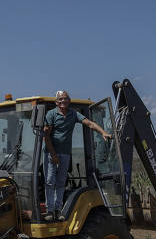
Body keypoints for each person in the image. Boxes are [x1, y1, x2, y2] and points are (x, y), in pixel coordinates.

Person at [43, 90, 112, 221]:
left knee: (61, 181)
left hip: (65, 153)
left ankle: (58, 209)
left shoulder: (73, 114)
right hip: (50, 153)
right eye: (60, 99)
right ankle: (49, 211)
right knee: (49, 180)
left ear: (69, 101)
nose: (63, 101)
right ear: (56, 102)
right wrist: (53, 154)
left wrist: (103, 132)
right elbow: (46, 137)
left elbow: (90, 123)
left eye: (65, 99)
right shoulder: (51, 114)